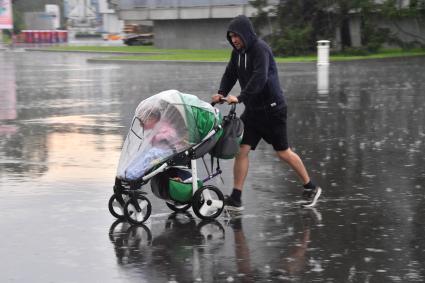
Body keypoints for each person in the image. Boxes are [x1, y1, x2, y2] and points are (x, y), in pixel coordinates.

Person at [212, 15, 321, 211]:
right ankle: (236, 198)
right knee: (241, 150)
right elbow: (230, 73)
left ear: (245, 34)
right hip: (253, 112)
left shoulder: (260, 49)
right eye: (231, 37)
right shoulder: (237, 53)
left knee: (283, 153)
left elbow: (259, 77)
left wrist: (241, 97)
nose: (234, 40)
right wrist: (221, 93)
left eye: (236, 36)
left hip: (272, 110)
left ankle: (311, 187)